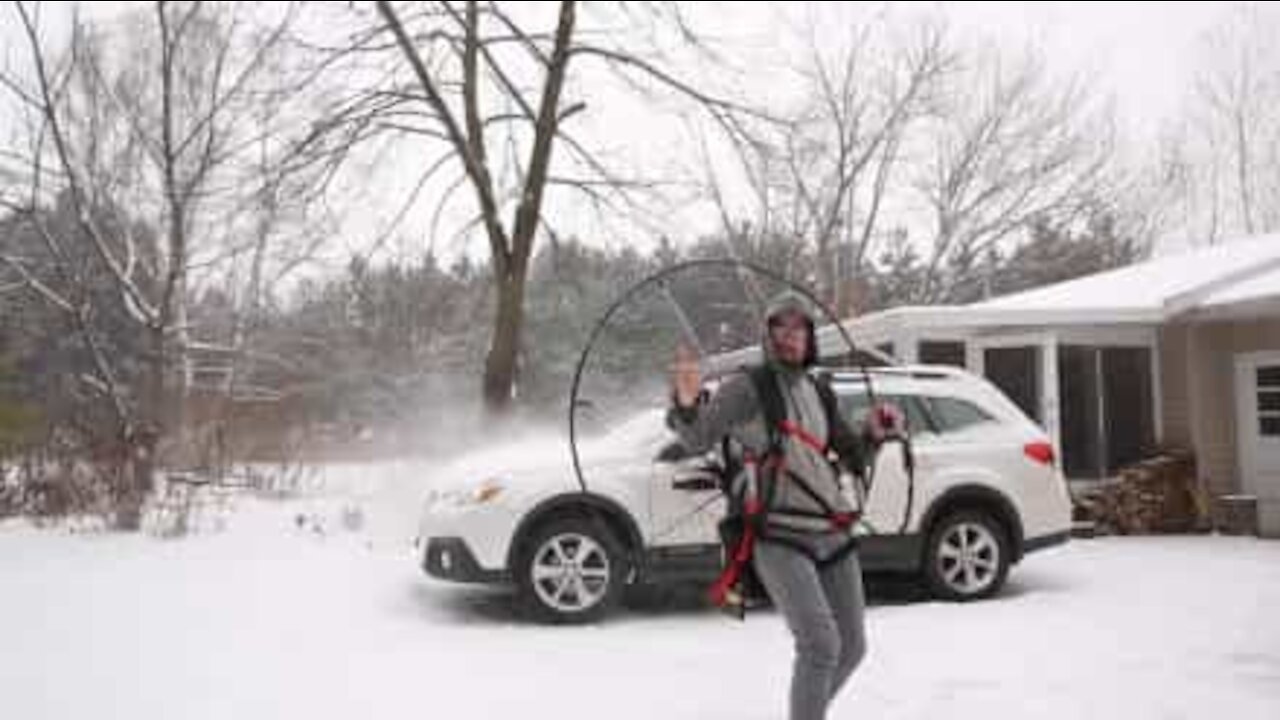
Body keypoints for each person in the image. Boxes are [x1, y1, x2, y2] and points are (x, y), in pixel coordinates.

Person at [667, 292, 874, 720]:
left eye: (798, 327)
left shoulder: (819, 388)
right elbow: (699, 437)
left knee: (852, 648)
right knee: (820, 646)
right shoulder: (748, 387)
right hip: (779, 536)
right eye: (780, 326)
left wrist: (873, 433)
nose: (789, 336)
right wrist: (686, 403)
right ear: (767, 332)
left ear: (810, 336)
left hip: (832, 531)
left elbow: (852, 455)